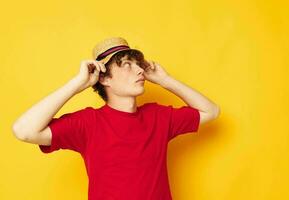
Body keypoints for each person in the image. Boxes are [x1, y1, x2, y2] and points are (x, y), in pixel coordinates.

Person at [12, 37, 220, 200]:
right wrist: (77, 84)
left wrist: (166, 81)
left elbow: (210, 111)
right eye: (127, 64)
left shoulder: (158, 116)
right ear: (104, 78)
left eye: (138, 64)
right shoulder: (88, 123)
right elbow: (24, 131)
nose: (140, 69)